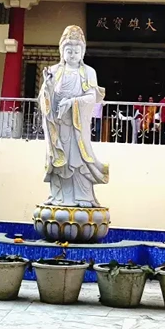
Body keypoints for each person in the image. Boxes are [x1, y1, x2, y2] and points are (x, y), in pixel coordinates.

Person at [38, 25, 108, 207]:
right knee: (59, 159)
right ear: (62, 51)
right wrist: (47, 86)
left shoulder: (88, 72)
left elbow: (92, 97)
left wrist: (72, 102)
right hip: (59, 125)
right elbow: (45, 99)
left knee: (79, 161)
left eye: (77, 51)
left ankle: (84, 197)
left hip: (77, 126)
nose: (73, 55)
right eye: (69, 51)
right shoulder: (54, 71)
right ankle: (58, 196)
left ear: (82, 52)